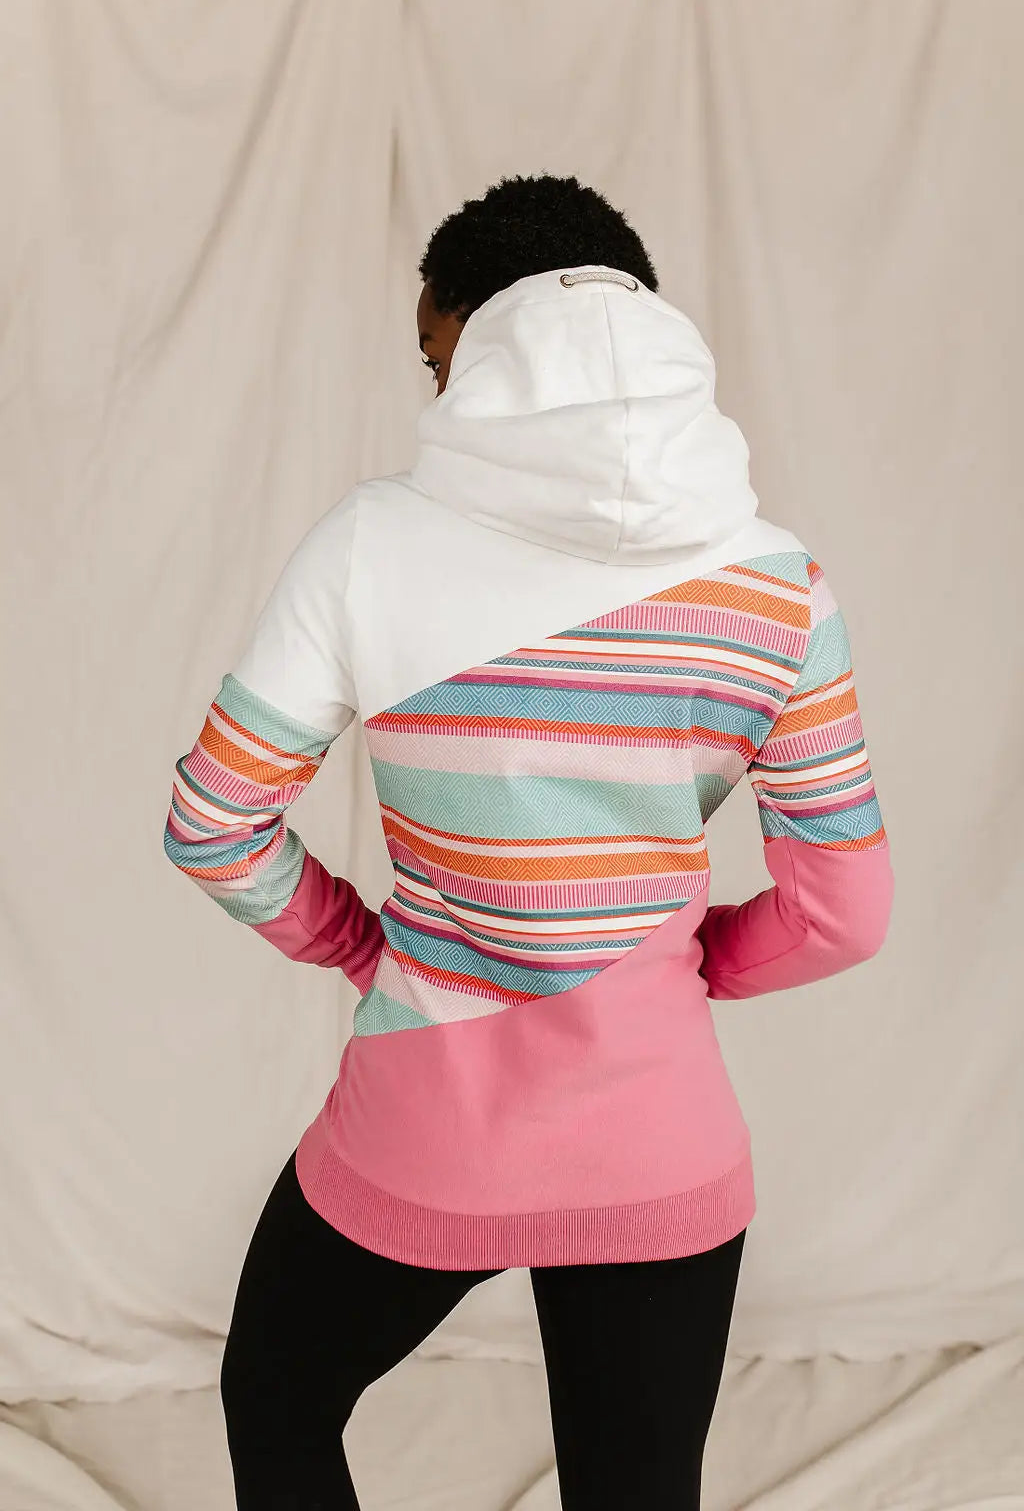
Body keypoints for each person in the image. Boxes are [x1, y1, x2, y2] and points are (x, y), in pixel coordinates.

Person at [164, 173, 893, 1509]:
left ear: (486, 338)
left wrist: (358, 946)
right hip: (660, 1134)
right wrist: (680, 967)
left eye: (436, 357)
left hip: (425, 1116)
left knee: (277, 1397)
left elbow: (216, 824)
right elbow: (846, 912)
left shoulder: (370, 544)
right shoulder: (783, 584)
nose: (444, 394)